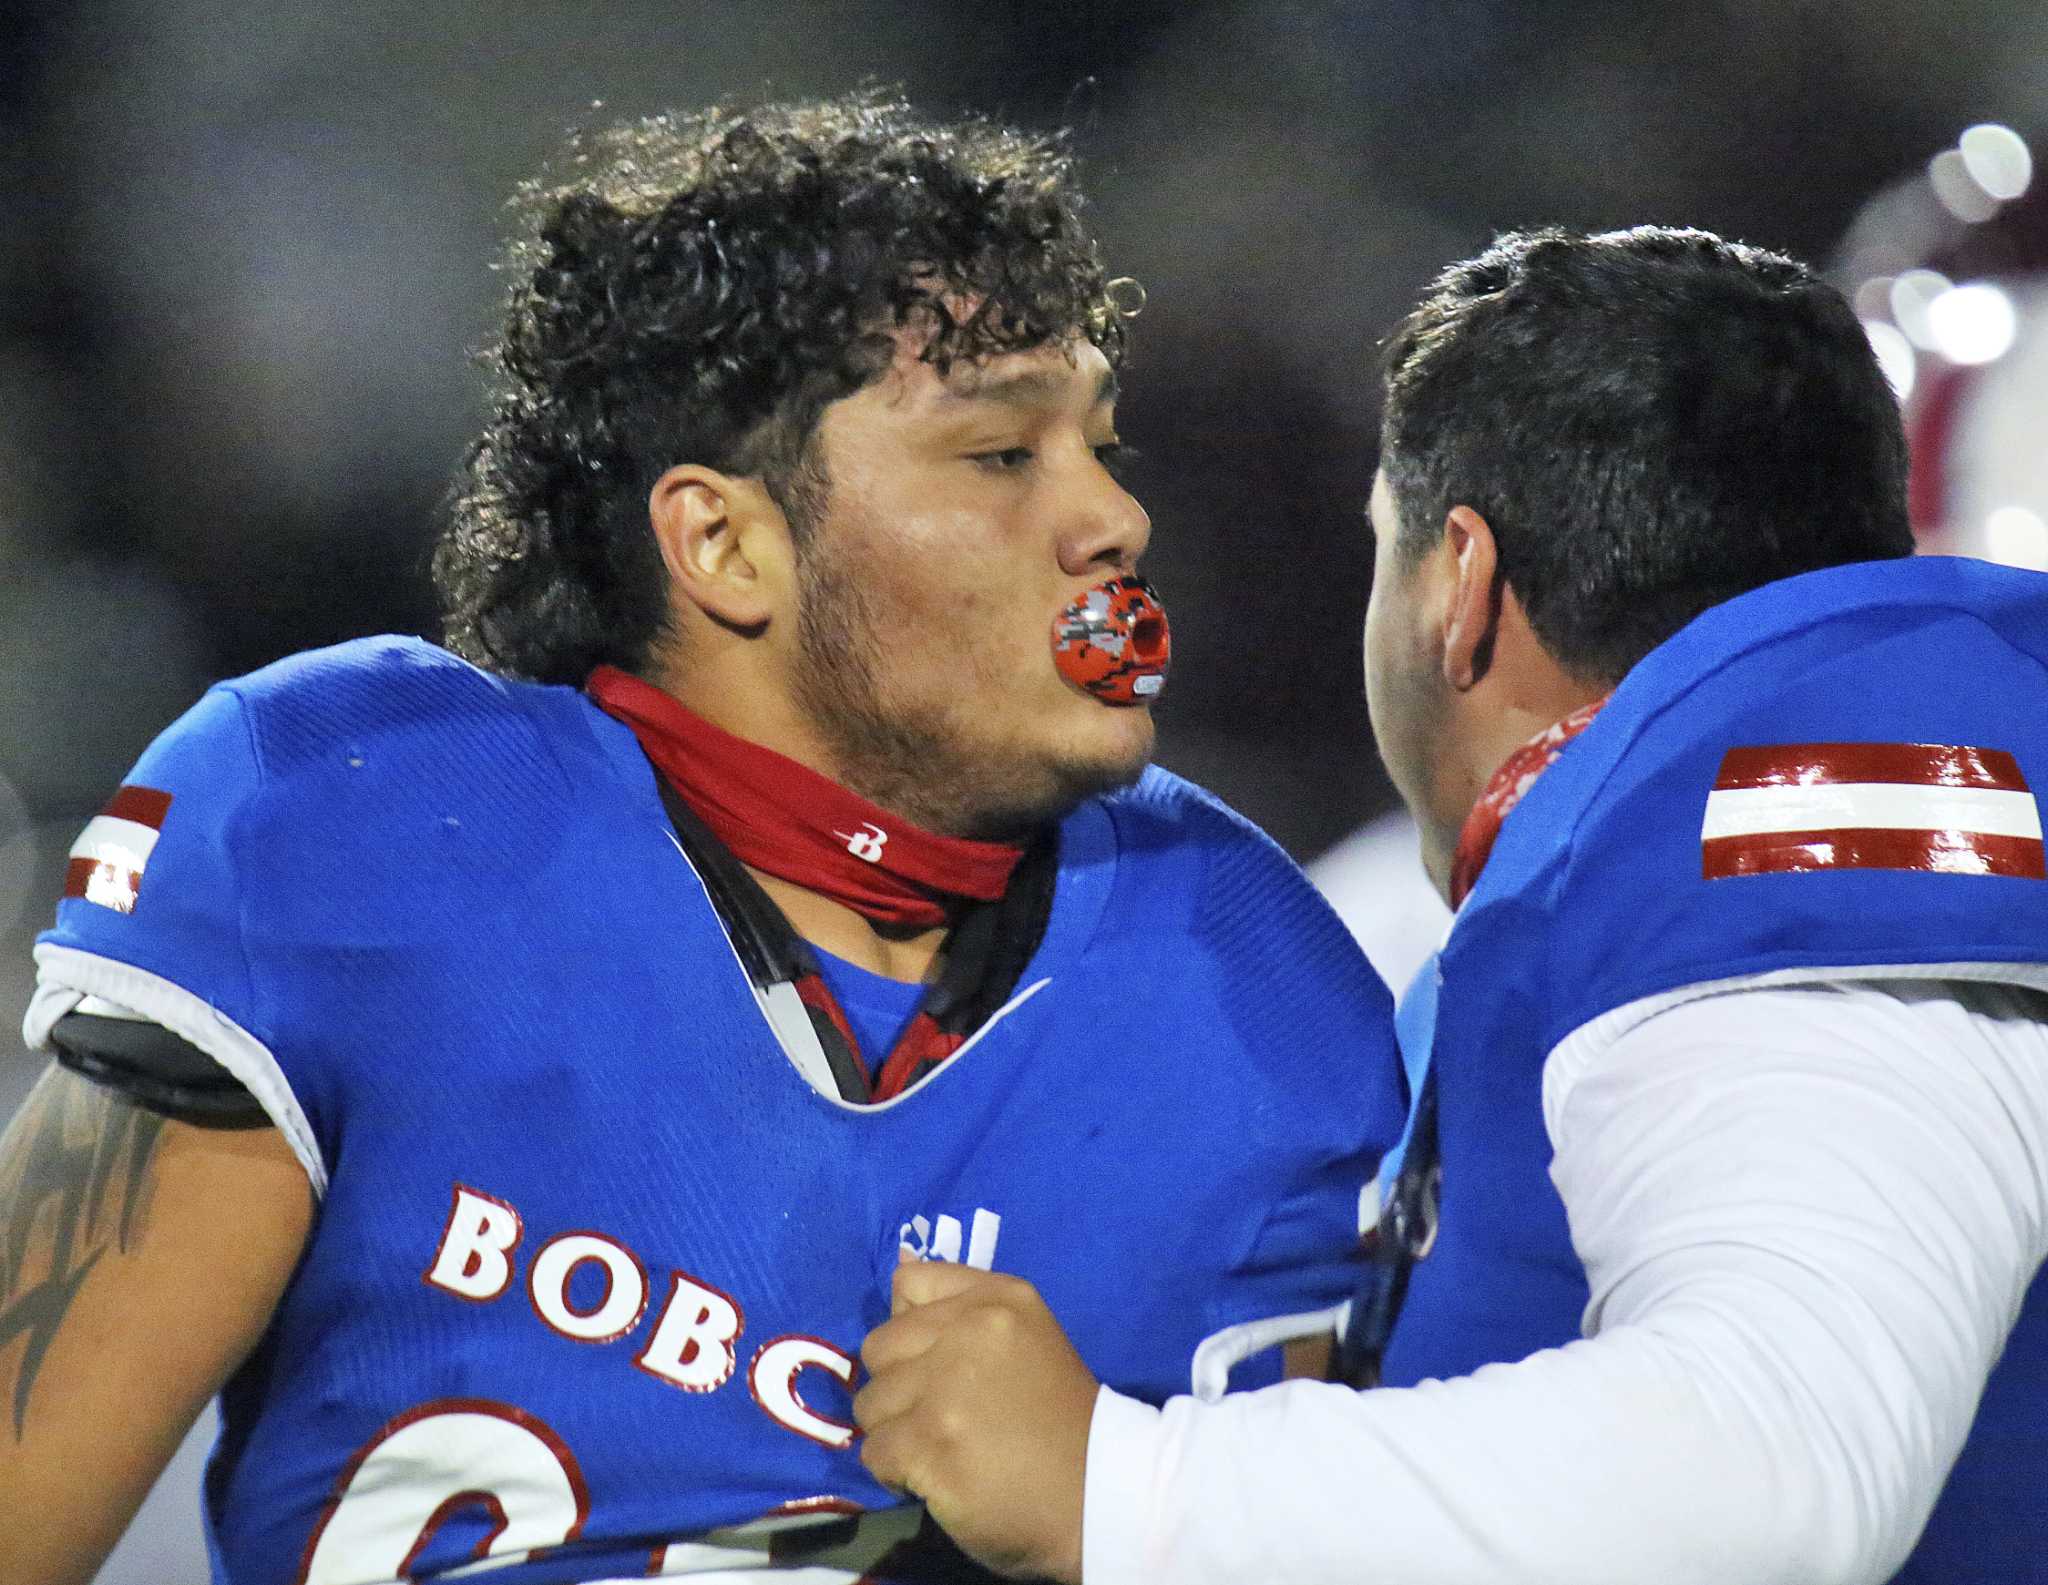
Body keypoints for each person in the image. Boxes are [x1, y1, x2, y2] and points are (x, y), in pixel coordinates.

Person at [0, 95, 1404, 1583]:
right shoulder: (361, 821)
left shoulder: (1253, 972)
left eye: (1099, 445)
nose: (1110, 516)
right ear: (725, 542)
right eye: (1000, 455)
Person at [853, 227, 2048, 1585]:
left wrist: (1119, 1487)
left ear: (1458, 588)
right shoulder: (1642, 862)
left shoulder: (1800, 823)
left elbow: (1772, 1462)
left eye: (1387, 547)